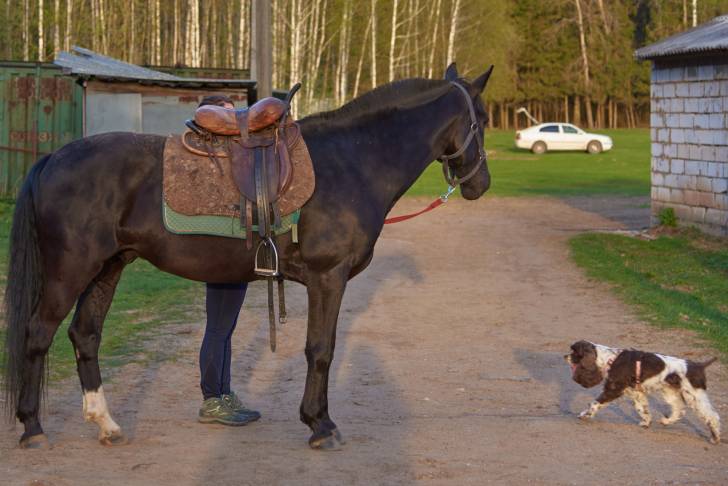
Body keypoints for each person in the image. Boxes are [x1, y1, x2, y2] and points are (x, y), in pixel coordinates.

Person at [195, 94, 260, 426]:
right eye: (227, 116)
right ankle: (211, 399)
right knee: (218, 327)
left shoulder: (228, 158)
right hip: (223, 255)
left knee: (225, 328)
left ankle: (223, 393)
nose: (234, 123)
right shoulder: (212, 160)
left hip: (233, 254)